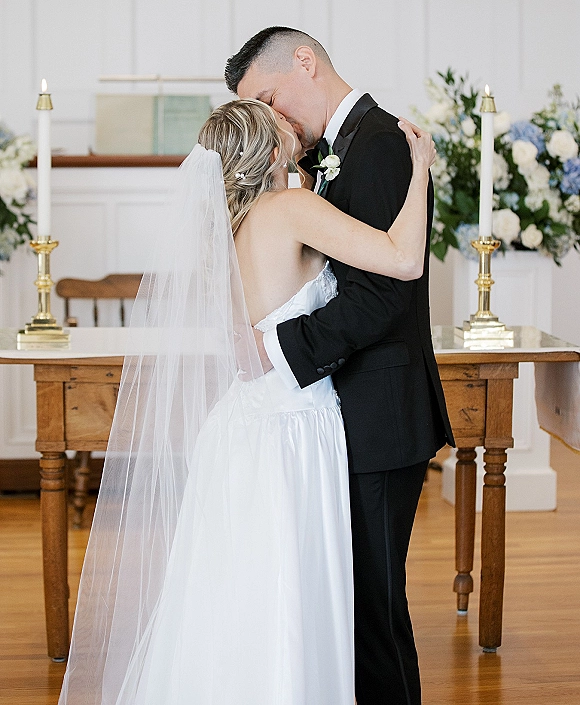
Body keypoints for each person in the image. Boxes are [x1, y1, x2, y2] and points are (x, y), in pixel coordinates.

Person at [57, 98, 435, 705]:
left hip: (240, 423)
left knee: (235, 595)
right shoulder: (289, 209)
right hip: (292, 426)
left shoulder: (227, 227)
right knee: (292, 589)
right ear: (266, 145)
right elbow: (404, 259)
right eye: (278, 122)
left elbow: (244, 339)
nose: (290, 121)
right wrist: (419, 171)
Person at [228, 27, 455, 705]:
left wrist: (281, 349)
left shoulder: (381, 144)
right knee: (350, 603)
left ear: (306, 61)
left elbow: (385, 291)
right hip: (342, 416)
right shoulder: (328, 158)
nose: (274, 115)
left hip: (378, 416)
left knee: (373, 608)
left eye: (268, 95)